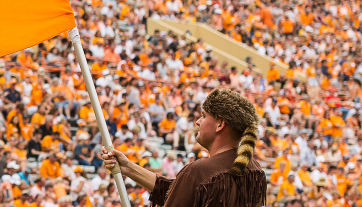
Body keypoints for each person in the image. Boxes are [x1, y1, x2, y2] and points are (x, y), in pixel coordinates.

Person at [99, 88, 266, 207]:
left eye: (203, 116)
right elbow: (179, 190)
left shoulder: (199, 172)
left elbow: (185, 190)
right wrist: (128, 168)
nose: (197, 122)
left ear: (220, 124)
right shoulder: (255, 170)